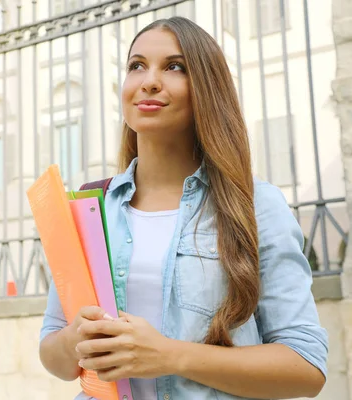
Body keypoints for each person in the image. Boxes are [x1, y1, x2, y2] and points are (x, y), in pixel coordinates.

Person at [38, 16, 328, 400]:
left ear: (207, 89)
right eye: (136, 65)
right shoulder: (92, 207)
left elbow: (306, 367)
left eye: (174, 67)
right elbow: (54, 357)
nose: (149, 80)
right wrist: (76, 338)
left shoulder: (255, 205)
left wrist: (169, 356)